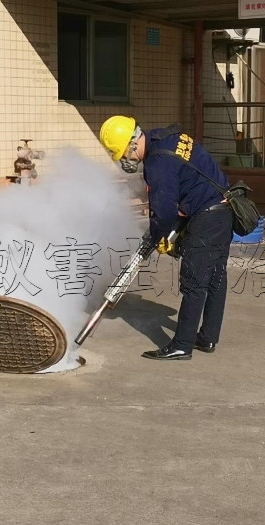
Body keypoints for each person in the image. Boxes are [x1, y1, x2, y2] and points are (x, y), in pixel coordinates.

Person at [99, 116, 233, 361]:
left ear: (131, 144)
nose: (125, 161)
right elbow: (189, 179)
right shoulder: (169, 137)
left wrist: (160, 235)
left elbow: (164, 210)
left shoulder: (157, 162)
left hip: (206, 218)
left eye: (122, 155)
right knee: (215, 277)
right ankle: (208, 337)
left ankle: (182, 345)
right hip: (223, 210)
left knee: (194, 283)